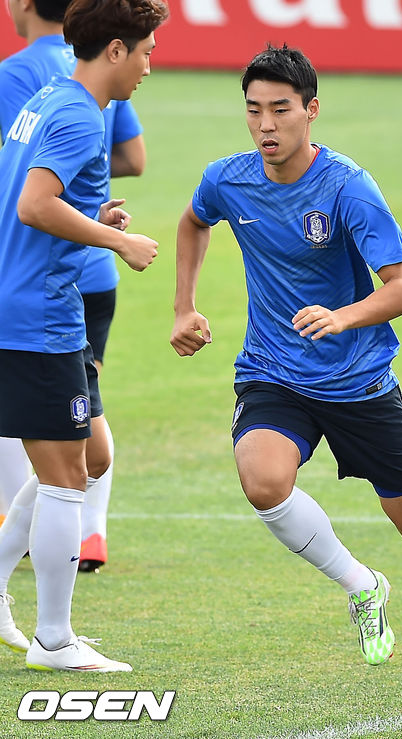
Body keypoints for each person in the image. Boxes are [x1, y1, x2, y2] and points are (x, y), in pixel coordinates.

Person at [170, 44, 402, 716]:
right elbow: (192, 221)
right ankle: (361, 584)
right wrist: (185, 306)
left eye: (280, 109)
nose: (266, 124)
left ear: (311, 110)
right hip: (274, 371)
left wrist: (343, 316)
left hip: (358, 382)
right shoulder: (228, 180)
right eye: (254, 110)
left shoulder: (347, 187)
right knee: (262, 480)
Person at [0, 0, 168, 671]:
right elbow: (33, 204)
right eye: (147, 51)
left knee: (80, 459)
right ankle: (54, 639)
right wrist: (117, 240)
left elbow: (33, 194)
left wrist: (92, 215)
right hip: (38, 316)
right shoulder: (76, 114)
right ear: (117, 49)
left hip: (29, 306)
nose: (150, 66)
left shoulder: (48, 98)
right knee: (69, 475)